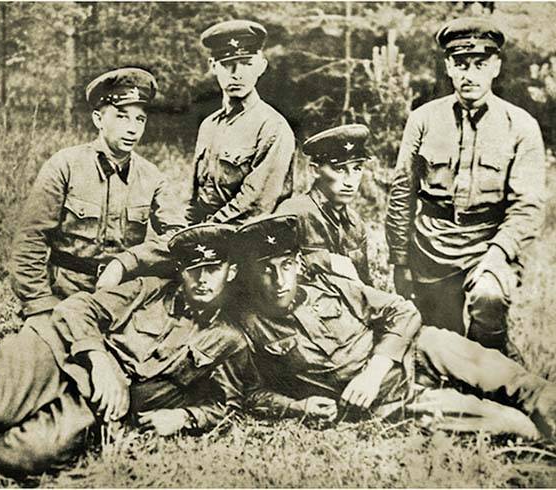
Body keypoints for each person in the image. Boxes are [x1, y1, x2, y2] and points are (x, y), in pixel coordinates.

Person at [0, 224, 249, 476]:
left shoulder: (229, 339)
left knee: (19, 455)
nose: (203, 280)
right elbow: (77, 307)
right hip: (59, 351)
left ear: (231, 272)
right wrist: (100, 362)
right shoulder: (151, 289)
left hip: (99, 404)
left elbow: (228, 406)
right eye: (194, 270)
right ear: (180, 270)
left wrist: (183, 418)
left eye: (213, 269)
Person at [234, 214, 556, 441]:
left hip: (415, 351)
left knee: (515, 381)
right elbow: (251, 393)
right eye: (266, 270)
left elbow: (402, 309)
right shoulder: (248, 326)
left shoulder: (328, 285)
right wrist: (299, 407)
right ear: (250, 274)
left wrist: (374, 371)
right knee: (514, 425)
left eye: (286, 265)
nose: (280, 280)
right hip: (394, 402)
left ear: (298, 264)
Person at [385, 18, 546, 357]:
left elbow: (528, 206)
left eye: (480, 64)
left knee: (488, 299)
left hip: (488, 244)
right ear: (448, 66)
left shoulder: (521, 126)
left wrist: (498, 254)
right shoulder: (423, 119)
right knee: (440, 345)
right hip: (431, 248)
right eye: (460, 64)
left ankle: (497, 368)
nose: (469, 75)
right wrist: (400, 260)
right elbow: (402, 192)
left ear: (496, 66)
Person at [96, 20, 296, 289]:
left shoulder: (273, 127)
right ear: (213, 66)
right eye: (227, 65)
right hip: (206, 243)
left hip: (249, 249)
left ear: (261, 66)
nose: (236, 74)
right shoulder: (209, 126)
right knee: (137, 285)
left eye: (246, 64)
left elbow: (254, 208)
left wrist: (193, 237)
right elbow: (196, 200)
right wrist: (180, 231)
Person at [9, 67, 182, 330]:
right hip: (64, 295)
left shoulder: (151, 176)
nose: (132, 129)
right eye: (122, 117)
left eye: (140, 119)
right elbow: (30, 241)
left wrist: (125, 263)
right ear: (98, 119)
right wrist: (40, 305)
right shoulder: (64, 166)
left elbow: (179, 239)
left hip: (121, 301)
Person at [277, 124, 371, 284]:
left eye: (357, 168)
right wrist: (325, 261)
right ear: (315, 170)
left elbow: (365, 285)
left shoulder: (356, 224)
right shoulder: (292, 214)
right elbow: (275, 279)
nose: (350, 181)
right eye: (340, 169)